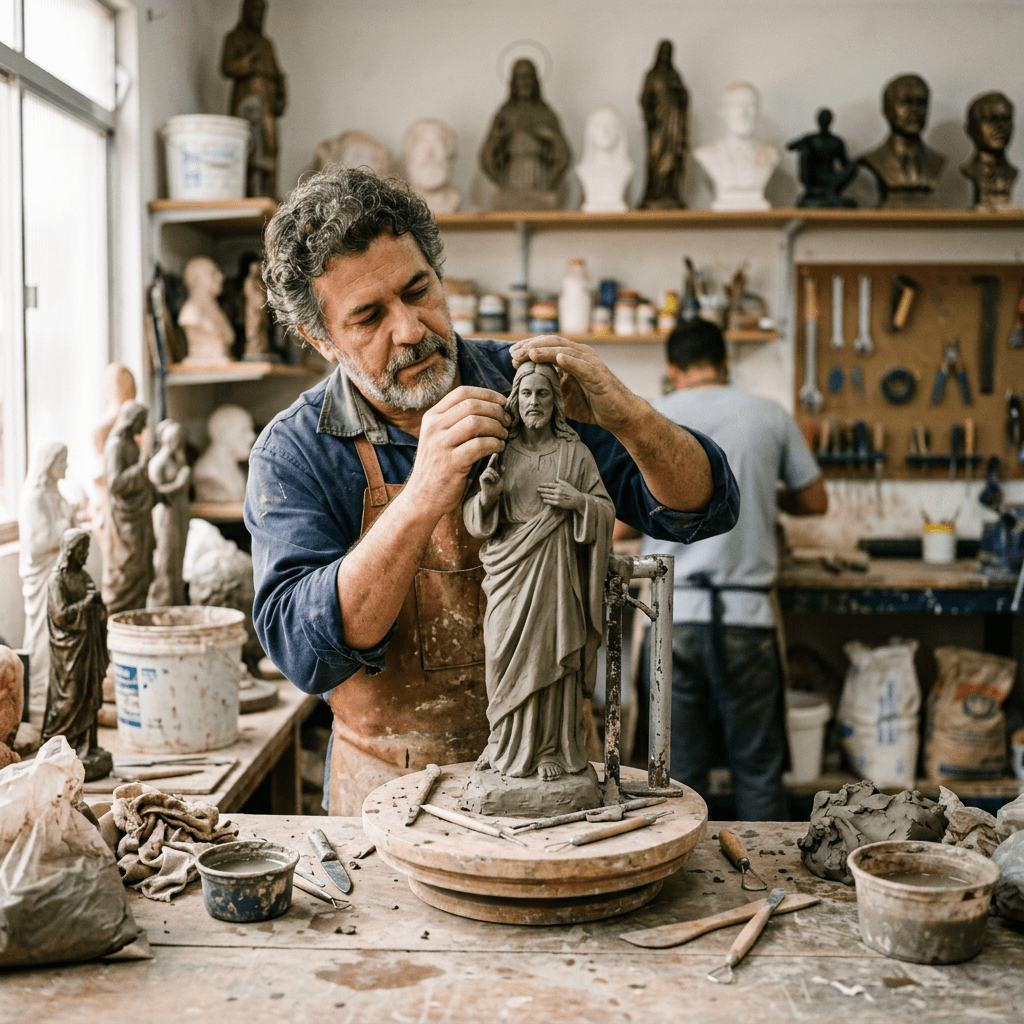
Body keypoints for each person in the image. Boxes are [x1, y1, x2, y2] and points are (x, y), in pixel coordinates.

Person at [246, 166, 739, 815]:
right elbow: (307, 653)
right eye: (368, 316)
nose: (410, 329)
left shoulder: (530, 385)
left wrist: (631, 416)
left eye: (418, 290)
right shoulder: (295, 452)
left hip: (559, 771)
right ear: (321, 340)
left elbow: (701, 510)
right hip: (392, 798)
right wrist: (422, 496)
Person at [628, 318, 827, 821]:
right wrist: (751, 497)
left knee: (678, 773)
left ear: (671, 369)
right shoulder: (769, 415)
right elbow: (814, 501)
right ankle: (772, 883)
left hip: (671, 614)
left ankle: (688, 878)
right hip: (748, 616)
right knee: (759, 767)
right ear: (725, 363)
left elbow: (612, 522)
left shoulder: (647, 417)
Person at [464, 361, 614, 781]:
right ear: (517, 399)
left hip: (557, 577)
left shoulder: (575, 454)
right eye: (527, 394)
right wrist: (488, 497)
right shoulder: (500, 451)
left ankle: (551, 748)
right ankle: (502, 742)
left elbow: (604, 510)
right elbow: (474, 523)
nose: (534, 402)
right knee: (501, 658)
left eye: (543, 394)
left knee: (553, 662)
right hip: (508, 577)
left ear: (555, 401)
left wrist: (578, 502)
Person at [40, 528, 111, 780]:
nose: (86, 555)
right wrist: (86, 605)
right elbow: (60, 615)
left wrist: (98, 607)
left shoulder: (84, 576)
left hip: (88, 648)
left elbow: (98, 607)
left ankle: (86, 747)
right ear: (71, 552)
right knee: (69, 697)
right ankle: (54, 746)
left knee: (89, 693)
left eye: (87, 551)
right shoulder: (56, 580)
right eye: (83, 551)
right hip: (68, 652)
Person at [18, 442, 75, 726]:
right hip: (42, 577)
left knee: (60, 634)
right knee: (43, 636)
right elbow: (38, 544)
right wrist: (65, 524)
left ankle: (59, 697)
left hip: (57, 575)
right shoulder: (34, 497)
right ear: (48, 463)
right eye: (62, 461)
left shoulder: (54, 492)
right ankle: (40, 702)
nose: (66, 466)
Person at [479, 58, 572, 211]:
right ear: (513, 82)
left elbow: (564, 154)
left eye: (529, 77)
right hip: (512, 179)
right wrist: (499, 139)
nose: (525, 82)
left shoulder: (545, 114)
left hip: (539, 177)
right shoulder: (505, 113)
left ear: (536, 81)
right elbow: (486, 155)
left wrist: (550, 138)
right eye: (520, 77)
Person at [220, 0, 287, 198]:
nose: (259, 16)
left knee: (271, 145)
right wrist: (247, 61)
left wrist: (282, 93)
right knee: (247, 146)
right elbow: (227, 67)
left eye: (262, 11)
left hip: (267, 102)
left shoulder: (267, 44)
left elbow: (278, 74)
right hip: (246, 97)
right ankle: (245, 192)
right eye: (255, 11)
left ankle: (270, 192)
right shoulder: (234, 38)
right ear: (246, 12)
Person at [101, 400, 155, 615]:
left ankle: (135, 615)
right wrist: (142, 466)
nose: (143, 427)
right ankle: (120, 618)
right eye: (141, 421)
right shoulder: (116, 445)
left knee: (142, 569)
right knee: (127, 570)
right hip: (124, 519)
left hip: (138, 514)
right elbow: (115, 484)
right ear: (131, 421)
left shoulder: (130, 442)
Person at [859, 73, 945, 207]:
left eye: (921, 103)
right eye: (906, 102)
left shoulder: (938, 160)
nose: (915, 110)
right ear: (887, 109)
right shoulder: (872, 159)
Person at [693, 83, 779, 211]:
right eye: (736, 105)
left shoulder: (771, 155)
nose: (743, 113)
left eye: (751, 105)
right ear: (722, 111)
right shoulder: (706, 154)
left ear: (758, 112)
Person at [638, 40, 688, 210]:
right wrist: (649, 116)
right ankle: (655, 192)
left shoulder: (675, 76)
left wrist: (679, 96)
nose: (666, 56)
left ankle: (670, 192)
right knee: (656, 159)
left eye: (669, 52)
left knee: (673, 158)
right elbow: (645, 98)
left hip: (674, 126)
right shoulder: (651, 76)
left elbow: (685, 97)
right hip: (658, 127)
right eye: (664, 52)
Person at [147, 419, 191, 608]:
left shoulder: (178, 459)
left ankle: (176, 601)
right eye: (176, 439)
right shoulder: (159, 462)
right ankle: (162, 603)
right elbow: (154, 493)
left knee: (178, 558)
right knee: (166, 559)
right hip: (166, 514)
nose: (178, 443)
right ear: (168, 439)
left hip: (180, 511)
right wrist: (179, 484)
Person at [786, 108, 858, 208]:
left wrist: (855, 164)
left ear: (831, 121)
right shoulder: (811, 139)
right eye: (822, 119)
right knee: (804, 153)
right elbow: (789, 146)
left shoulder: (836, 141)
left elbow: (845, 163)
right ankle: (815, 192)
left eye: (826, 120)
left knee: (854, 165)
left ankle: (831, 193)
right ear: (818, 121)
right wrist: (805, 148)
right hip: (814, 178)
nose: (824, 122)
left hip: (832, 177)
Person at [961, 91, 1017, 210]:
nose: (1000, 127)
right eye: (991, 120)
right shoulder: (970, 169)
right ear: (970, 129)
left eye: (1006, 119)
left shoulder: (1013, 172)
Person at [576, 107, 635, 214]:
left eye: (611, 125)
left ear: (619, 131)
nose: (605, 131)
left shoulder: (627, 169)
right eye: (598, 125)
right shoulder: (584, 170)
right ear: (590, 132)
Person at [403, 118, 461, 215]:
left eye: (437, 143)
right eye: (420, 144)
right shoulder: (400, 203)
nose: (429, 153)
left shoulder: (457, 198)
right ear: (407, 157)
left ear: (451, 155)